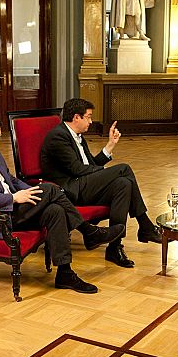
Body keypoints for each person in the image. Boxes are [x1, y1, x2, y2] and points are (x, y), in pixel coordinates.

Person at [0, 110, 125, 294]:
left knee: (55, 210)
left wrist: (31, 192)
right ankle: (88, 231)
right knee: (50, 189)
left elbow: (11, 180)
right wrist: (13, 198)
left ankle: (64, 273)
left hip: (14, 208)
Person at [40, 98, 162, 269]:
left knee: (123, 184)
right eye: (88, 117)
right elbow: (77, 170)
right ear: (76, 117)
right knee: (123, 169)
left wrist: (110, 146)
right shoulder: (58, 136)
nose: (91, 121)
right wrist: (107, 174)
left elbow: (91, 166)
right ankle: (145, 225)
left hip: (82, 183)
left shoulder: (78, 137)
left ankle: (114, 246)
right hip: (70, 189)